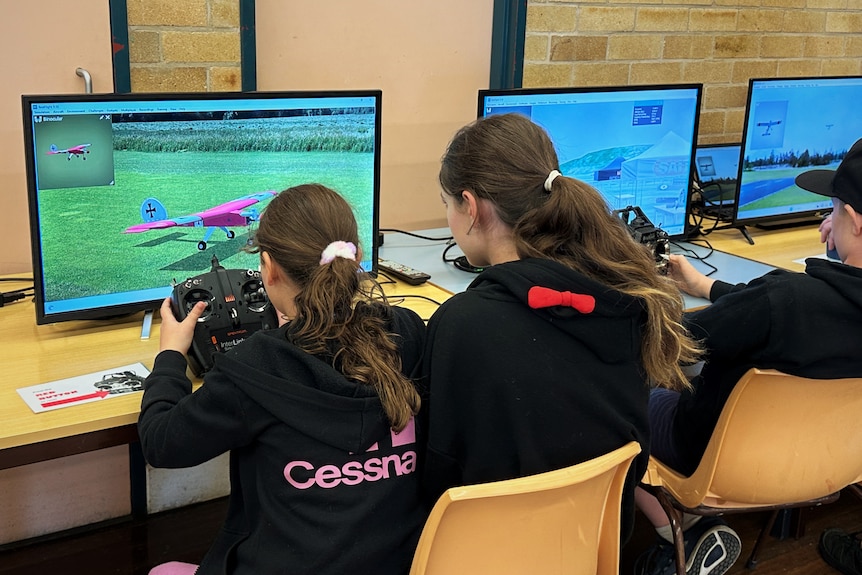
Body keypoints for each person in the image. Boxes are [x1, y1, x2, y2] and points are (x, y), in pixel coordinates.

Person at [420, 112, 703, 543]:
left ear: (471, 208)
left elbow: (435, 473)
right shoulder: (625, 298)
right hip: (594, 548)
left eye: (447, 204)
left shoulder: (461, 324)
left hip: (489, 553)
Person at [138, 184, 427, 575]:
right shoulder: (406, 332)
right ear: (355, 257)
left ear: (269, 269)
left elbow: (161, 443)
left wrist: (171, 356)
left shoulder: (254, 366)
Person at [635, 137, 862, 575]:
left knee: (613, 390)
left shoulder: (784, 301)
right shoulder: (787, 302)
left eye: (831, 210)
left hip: (706, 456)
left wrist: (639, 292)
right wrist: (707, 288)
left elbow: (672, 340)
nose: (825, 223)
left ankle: (683, 530)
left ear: (852, 218)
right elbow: (780, 311)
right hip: (828, 466)